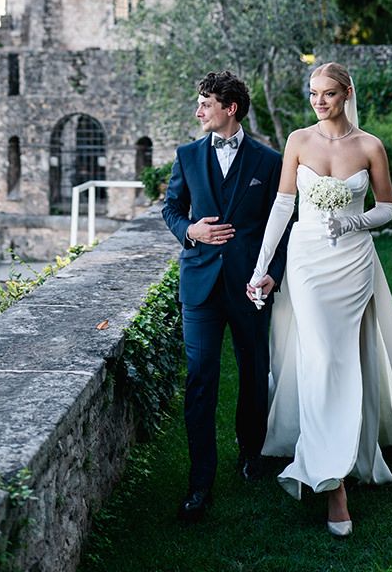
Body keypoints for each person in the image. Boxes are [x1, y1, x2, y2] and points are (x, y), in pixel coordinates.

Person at [247, 61, 392, 537]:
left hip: (353, 264)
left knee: (345, 359)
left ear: (346, 93)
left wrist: (356, 221)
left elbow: (388, 208)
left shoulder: (370, 145)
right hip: (308, 262)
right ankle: (333, 484)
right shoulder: (297, 141)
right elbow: (283, 207)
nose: (318, 101)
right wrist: (262, 266)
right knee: (322, 358)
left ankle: (350, 446)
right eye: (313, 93)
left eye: (327, 93)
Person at [162, 70, 291, 522]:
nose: (198, 110)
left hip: (249, 284)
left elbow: (285, 224)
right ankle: (200, 482)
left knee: (255, 370)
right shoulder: (187, 155)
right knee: (200, 378)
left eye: (205, 102)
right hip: (199, 285)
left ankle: (251, 455)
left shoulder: (268, 161)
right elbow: (171, 209)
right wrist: (190, 231)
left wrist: (273, 273)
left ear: (229, 108)